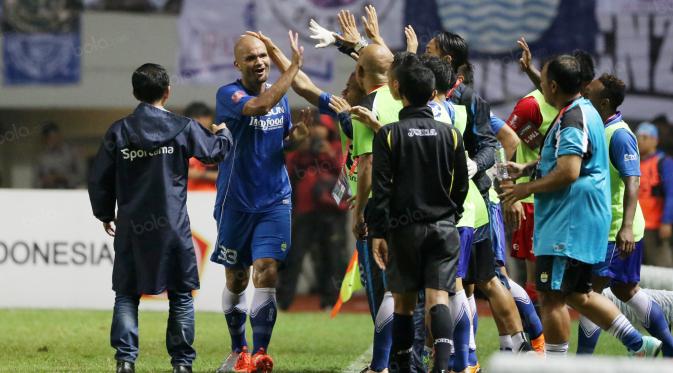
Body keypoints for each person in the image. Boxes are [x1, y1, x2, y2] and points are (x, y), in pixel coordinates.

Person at [501, 54, 662, 358]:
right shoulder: (583, 110)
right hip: (576, 219)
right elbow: (569, 158)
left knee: (552, 296)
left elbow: (569, 171)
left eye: (544, 80)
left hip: (569, 221)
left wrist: (524, 189)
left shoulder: (574, 116)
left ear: (552, 86)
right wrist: (528, 168)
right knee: (577, 294)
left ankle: (557, 364)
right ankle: (640, 344)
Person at [88, 63, 233, 373]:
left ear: (135, 93)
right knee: (181, 295)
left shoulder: (119, 130)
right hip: (173, 228)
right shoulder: (184, 127)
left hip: (131, 228)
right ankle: (181, 364)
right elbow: (213, 153)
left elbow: (99, 177)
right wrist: (224, 134)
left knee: (126, 294)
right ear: (168, 92)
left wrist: (103, 212)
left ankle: (125, 362)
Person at [424, 30, 531, 356]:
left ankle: (527, 344)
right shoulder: (434, 98)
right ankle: (477, 353)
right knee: (468, 283)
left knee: (487, 278)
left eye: (428, 52)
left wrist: (503, 185)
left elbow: (501, 144)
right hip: (456, 199)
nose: (421, 56)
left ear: (445, 60)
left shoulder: (469, 100)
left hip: (476, 200)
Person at [211, 32, 311, 373]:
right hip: (235, 202)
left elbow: (282, 142)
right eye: (251, 58)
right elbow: (259, 107)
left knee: (266, 271)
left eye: (263, 56)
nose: (260, 62)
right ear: (238, 64)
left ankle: (260, 353)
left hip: (274, 200)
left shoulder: (279, 97)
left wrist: (297, 137)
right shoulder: (229, 94)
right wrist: (294, 67)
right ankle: (237, 350)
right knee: (236, 281)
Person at [368, 54, 469, 373]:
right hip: (443, 228)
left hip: (404, 231)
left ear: (402, 93)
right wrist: (451, 214)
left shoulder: (388, 135)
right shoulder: (450, 134)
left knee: (404, 303)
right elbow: (461, 185)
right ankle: (441, 368)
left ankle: (403, 366)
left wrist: (379, 233)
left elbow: (381, 189)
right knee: (439, 298)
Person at [575, 74, 673, 357]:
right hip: (611, 226)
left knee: (588, 294)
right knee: (626, 290)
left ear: (603, 102)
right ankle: (668, 350)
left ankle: (584, 360)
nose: (584, 93)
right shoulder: (598, 126)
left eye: (589, 91)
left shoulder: (618, 135)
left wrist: (626, 227)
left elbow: (633, 181)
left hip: (615, 229)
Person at [637, 122, 673, 267]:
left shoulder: (663, 162)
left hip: (655, 226)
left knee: (661, 268)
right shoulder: (633, 161)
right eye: (638, 136)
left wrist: (666, 221)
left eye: (644, 137)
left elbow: (671, 193)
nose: (640, 140)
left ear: (655, 141)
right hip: (634, 226)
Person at [34, 122, 84, 189]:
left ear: (59, 135)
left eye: (53, 137)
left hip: (70, 193)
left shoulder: (73, 152)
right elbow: (35, 183)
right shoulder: (41, 157)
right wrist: (45, 181)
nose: (51, 141)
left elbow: (82, 177)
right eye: (48, 138)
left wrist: (63, 178)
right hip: (48, 194)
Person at [184, 102, 218, 191]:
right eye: (196, 119)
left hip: (213, 196)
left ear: (210, 119)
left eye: (202, 118)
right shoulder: (180, 145)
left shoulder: (219, 145)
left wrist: (202, 175)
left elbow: (230, 178)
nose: (200, 122)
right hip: (188, 197)